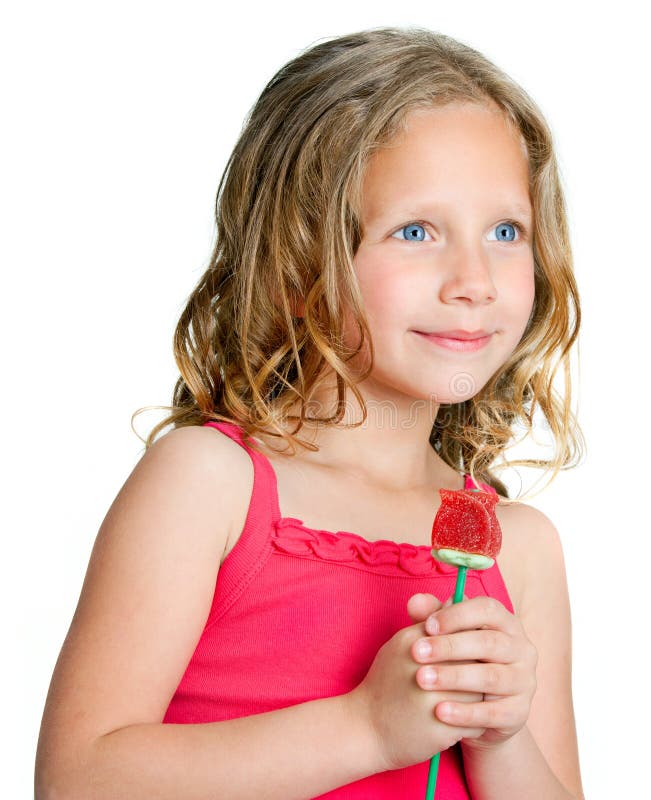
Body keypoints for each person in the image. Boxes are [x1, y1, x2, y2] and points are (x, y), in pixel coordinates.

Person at [35, 26, 585, 800]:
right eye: (417, 231)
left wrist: (501, 731)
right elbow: (78, 782)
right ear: (298, 263)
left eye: (505, 231)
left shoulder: (521, 550)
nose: (475, 279)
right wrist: (367, 728)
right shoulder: (209, 485)